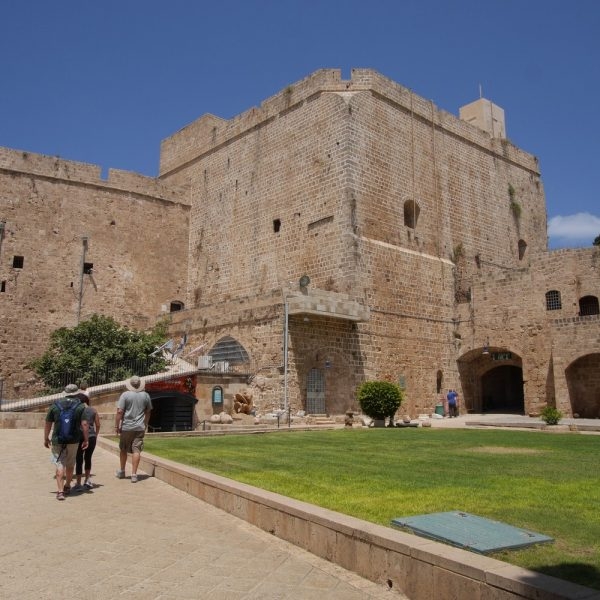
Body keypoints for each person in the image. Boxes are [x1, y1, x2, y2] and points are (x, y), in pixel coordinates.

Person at [44, 383, 89, 500]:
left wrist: (46, 438)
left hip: (58, 439)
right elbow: (84, 424)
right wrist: (86, 439)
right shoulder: (80, 406)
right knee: (70, 463)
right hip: (74, 440)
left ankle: (60, 492)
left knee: (60, 464)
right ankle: (67, 485)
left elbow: (48, 423)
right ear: (76, 393)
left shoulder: (55, 405)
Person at [115, 375, 152, 483]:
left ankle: (122, 471)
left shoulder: (125, 395)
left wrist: (116, 426)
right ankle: (134, 474)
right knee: (137, 450)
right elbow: (148, 411)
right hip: (139, 427)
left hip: (127, 426)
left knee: (123, 449)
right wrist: (145, 423)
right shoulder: (146, 395)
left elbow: (119, 412)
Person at [74, 395, 100, 490]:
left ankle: (78, 483)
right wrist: (95, 434)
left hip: (79, 436)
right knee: (88, 458)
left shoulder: (76, 410)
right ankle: (87, 479)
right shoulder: (93, 410)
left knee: (79, 459)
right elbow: (98, 424)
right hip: (91, 436)